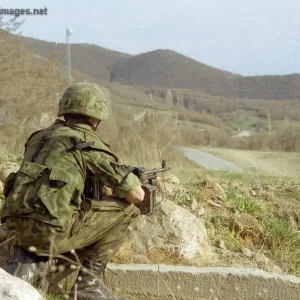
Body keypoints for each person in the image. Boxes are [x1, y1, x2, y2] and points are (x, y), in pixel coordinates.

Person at [2, 82, 144, 299]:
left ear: (65, 109)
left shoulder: (39, 138)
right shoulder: (86, 143)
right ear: (96, 116)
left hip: (14, 230)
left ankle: (31, 261)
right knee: (128, 210)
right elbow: (136, 194)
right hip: (50, 235)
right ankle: (88, 284)